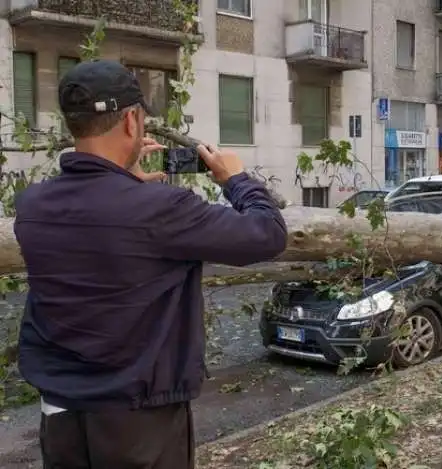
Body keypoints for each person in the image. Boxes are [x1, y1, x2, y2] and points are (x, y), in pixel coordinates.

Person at [13, 60, 287, 468]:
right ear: (131, 121)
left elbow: (104, 229)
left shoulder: (32, 204)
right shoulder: (160, 210)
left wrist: (124, 183)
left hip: (60, 412)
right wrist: (235, 179)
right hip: (137, 418)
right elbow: (267, 233)